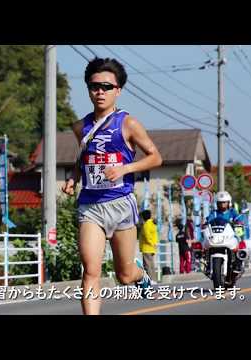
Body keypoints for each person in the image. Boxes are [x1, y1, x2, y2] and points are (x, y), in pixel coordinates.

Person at [62, 57, 163, 315]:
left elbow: (156, 157)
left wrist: (125, 168)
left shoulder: (128, 123)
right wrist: (74, 177)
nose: (100, 92)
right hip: (90, 206)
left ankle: (141, 276)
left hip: (121, 204)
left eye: (107, 87)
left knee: (124, 275)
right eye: (95, 86)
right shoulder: (80, 127)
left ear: (118, 90)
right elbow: (83, 158)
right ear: (88, 89)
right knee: (91, 271)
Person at [140, 210, 159, 284]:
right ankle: (153, 279)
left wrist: (150, 243)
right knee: (151, 264)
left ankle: (150, 280)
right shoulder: (152, 223)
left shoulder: (146, 225)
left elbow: (147, 236)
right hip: (152, 247)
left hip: (146, 247)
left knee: (147, 265)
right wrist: (154, 244)